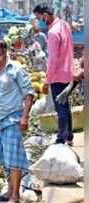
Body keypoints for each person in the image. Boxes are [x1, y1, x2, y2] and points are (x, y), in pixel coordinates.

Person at [0, 39, 34, 203]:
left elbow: (29, 95)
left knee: (13, 158)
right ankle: (9, 190)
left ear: (4, 51)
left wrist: (25, 117)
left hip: (12, 118)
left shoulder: (16, 70)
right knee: (3, 158)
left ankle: (15, 195)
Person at [34, 4, 74, 145]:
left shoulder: (52, 33)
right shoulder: (64, 25)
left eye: (39, 17)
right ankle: (69, 136)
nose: (40, 21)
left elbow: (52, 60)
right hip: (68, 71)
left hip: (57, 74)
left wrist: (47, 80)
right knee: (66, 105)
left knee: (60, 107)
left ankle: (61, 138)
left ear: (45, 14)